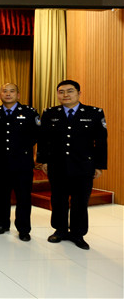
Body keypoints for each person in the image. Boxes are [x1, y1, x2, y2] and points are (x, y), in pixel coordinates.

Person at [37, 80, 107, 250]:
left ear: (79, 93)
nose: (65, 95)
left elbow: (101, 141)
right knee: (58, 199)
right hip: (57, 165)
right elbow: (43, 139)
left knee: (80, 201)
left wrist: (99, 165)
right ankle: (60, 230)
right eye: (61, 92)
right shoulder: (50, 113)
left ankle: (78, 234)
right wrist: (43, 161)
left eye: (70, 91)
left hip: (83, 165)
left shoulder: (94, 113)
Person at [0, 83, 39, 242]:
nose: (8, 94)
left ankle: (23, 229)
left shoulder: (29, 112)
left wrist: (21, 148)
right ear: (0, 94)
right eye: (5, 91)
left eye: (12, 91)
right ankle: (2, 224)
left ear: (18, 95)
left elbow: (36, 135)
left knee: (23, 196)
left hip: (23, 162)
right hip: (1, 162)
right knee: (2, 195)